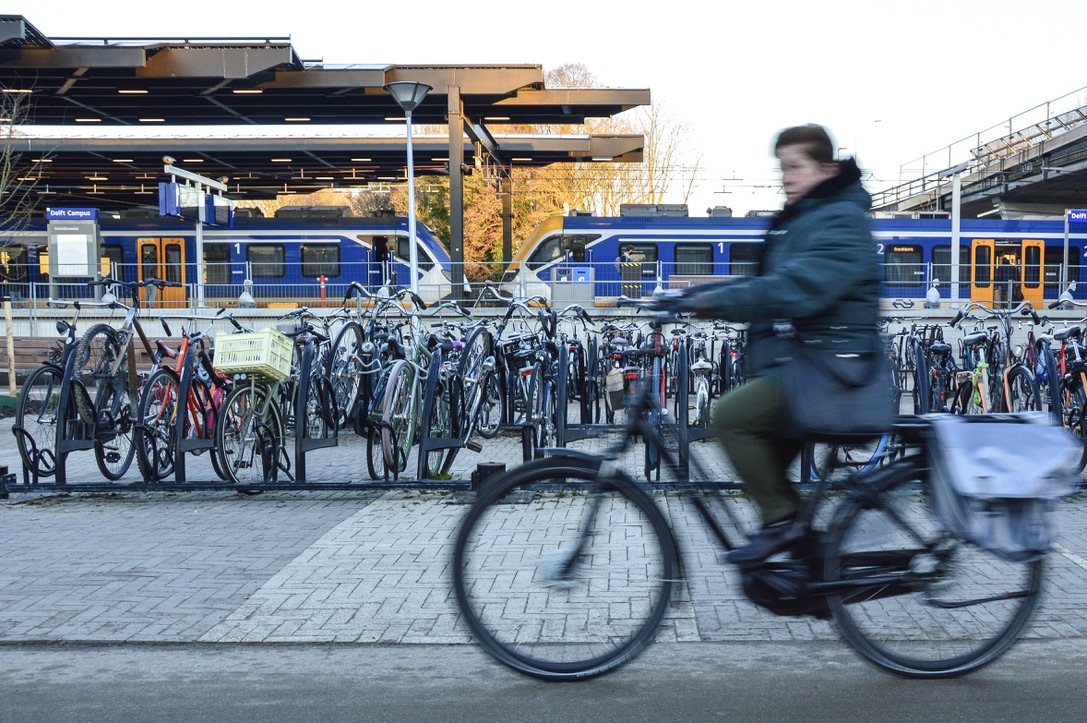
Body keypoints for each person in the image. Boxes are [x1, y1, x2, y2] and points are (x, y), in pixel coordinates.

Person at [674, 124, 881, 565]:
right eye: (781, 169)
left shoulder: (840, 220)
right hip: (808, 365)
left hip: (831, 369)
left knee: (729, 417)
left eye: (794, 168)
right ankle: (808, 569)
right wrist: (694, 293)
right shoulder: (808, 219)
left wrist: (715, 299)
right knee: (763, 464)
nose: (785, 178)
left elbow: (795, 288)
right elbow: (768, 283)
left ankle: (784, 523)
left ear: (826, 169)